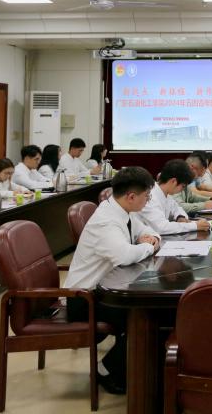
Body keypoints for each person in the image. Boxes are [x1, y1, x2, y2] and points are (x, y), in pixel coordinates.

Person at [64, 167, 162, 394]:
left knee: (151, 312)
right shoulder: (106, 221)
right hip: (84, 299)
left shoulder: (123, 210)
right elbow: (124, 255)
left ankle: (138, 368)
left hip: (105, 290)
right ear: (131, 196)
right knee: (147, 316)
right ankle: (106, 369)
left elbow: (148, 230)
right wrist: (149, 246)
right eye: (147, 196)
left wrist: (152, 238)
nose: (148, 201)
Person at [136, 159, 211, 235]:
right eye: (183, 186)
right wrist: (194, 226)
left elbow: (177, 208)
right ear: (173, 181)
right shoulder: (149, 196)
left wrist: (180, 217)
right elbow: (162, 228)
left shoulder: (166, 194)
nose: (182, 190)